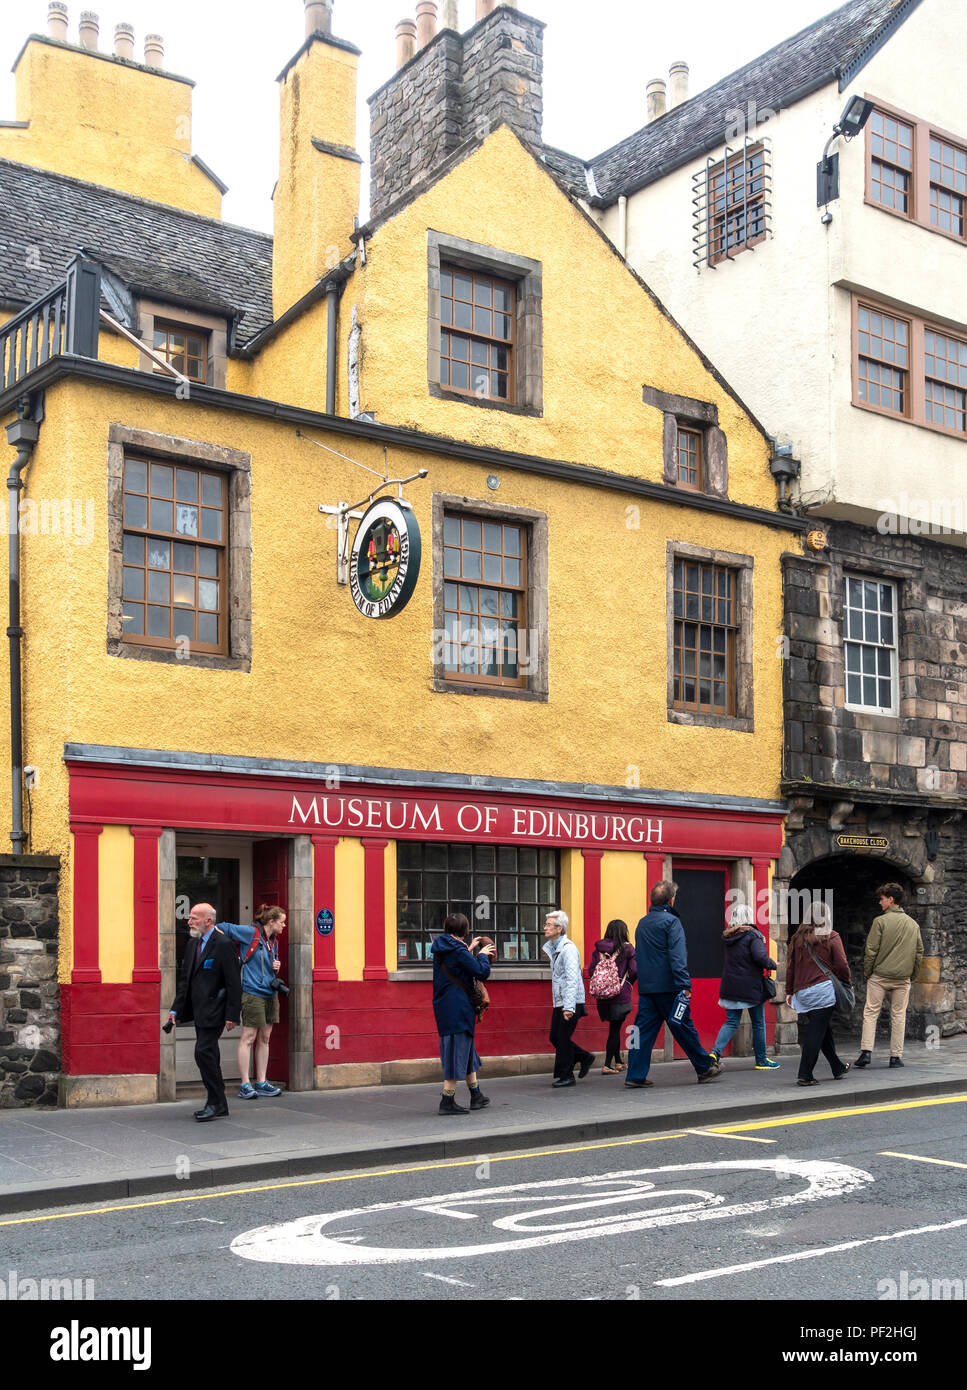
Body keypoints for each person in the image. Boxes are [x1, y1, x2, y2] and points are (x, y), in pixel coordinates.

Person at [624, 880, 721, 1088]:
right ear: (671, 900)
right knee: (684, 1027)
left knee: (641, 1031)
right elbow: (678, 956)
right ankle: (704, 1067)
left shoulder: (642, 923)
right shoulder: (671, 922)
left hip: (648, 989)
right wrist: (685, 984)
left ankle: (634, 1074)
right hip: (669, 988)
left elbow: (639, 955)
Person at [167, 902, 242, 1121]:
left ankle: (216, 1101)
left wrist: (232, 1015)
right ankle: (219, 1103)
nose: (189, 922)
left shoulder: (224, 944)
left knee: (202, 1052)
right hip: (198, 1011)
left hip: (216, 1011)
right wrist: (175, 1010)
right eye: (189, 918)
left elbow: (233, 983)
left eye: (194, 918)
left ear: (208, 921)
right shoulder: (193, 945)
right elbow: (185, 982)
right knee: (209, 1054)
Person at [218, 905, 287, 1100]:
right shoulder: (251, 933)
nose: (284, 925)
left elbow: (268, 965)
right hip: (252, 992)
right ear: (271, 922)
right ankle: (245, 1084)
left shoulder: (274, 942)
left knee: (265, 1038)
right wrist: (225, 955)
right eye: (282, 921)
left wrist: (277, 966)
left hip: (269, 993)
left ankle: (262, 1081)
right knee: (248, 1037)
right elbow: (222, 927)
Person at [430, 913, 495, 1115]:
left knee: (466, 1052)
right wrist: (483, 954)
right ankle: (446, 1101)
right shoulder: (457, 950)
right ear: (464, 930)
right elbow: (481, 971)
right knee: (455, 1053)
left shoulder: (444, 946)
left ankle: (476, 1096)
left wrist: (470, 949)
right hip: (458, 1008)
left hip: (446, 1006)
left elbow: (456, 963)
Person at [855, 883, 924, 1070]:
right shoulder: (913, 924)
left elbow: (871, 950)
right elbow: (919, 953)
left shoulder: (880, 922)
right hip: (903, 978)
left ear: (890, 900)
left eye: (882, 899)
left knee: (871, 1012)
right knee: (899, 1015)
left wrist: (868, 972)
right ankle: (895, 1057)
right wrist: (912, 975)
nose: (880, 902)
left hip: (880, 975)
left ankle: (866, 1052)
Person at [785, 900, 852, 1087]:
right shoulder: (831, 936)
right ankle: (805, 1074)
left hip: (802, 993)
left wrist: (789, 991)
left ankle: (837, 1067)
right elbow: (842, 965)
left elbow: (791, 968)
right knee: (816, 1032)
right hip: (822, 990)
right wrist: (846, 982)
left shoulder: (797, 939)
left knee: (822, 1029)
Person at [709, 903, 780, 1071]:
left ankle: (714, 1053)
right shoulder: (753, 935)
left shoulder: (729, 937)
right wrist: (773, 964)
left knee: (731, 1022)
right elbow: (760, 957)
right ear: (749, 918)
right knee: (758, 1023)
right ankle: (761, 1060)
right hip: (750, 987)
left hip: (730, 986)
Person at [544, 909, 595, 1088]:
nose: (545, 928)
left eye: (549, 925)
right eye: (546, 924)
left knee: (563, 1038)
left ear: (559, 928)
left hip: (571, 1001)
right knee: (555, 1037)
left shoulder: (568, 949)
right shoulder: (556, 949)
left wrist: (569, 1007)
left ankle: (567, 1076)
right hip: (561, 1000)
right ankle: (583, 1057)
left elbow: (573, 978)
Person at [588, 919, 637, 1073]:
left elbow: (591, 972)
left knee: (614, 1027)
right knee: (615, 1030)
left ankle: (618, 1061)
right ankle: (607, 1065)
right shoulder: (628, 949)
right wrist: (627, 983)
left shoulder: (598, 950)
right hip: (619, 995)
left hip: (602, 997)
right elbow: (635, 970)